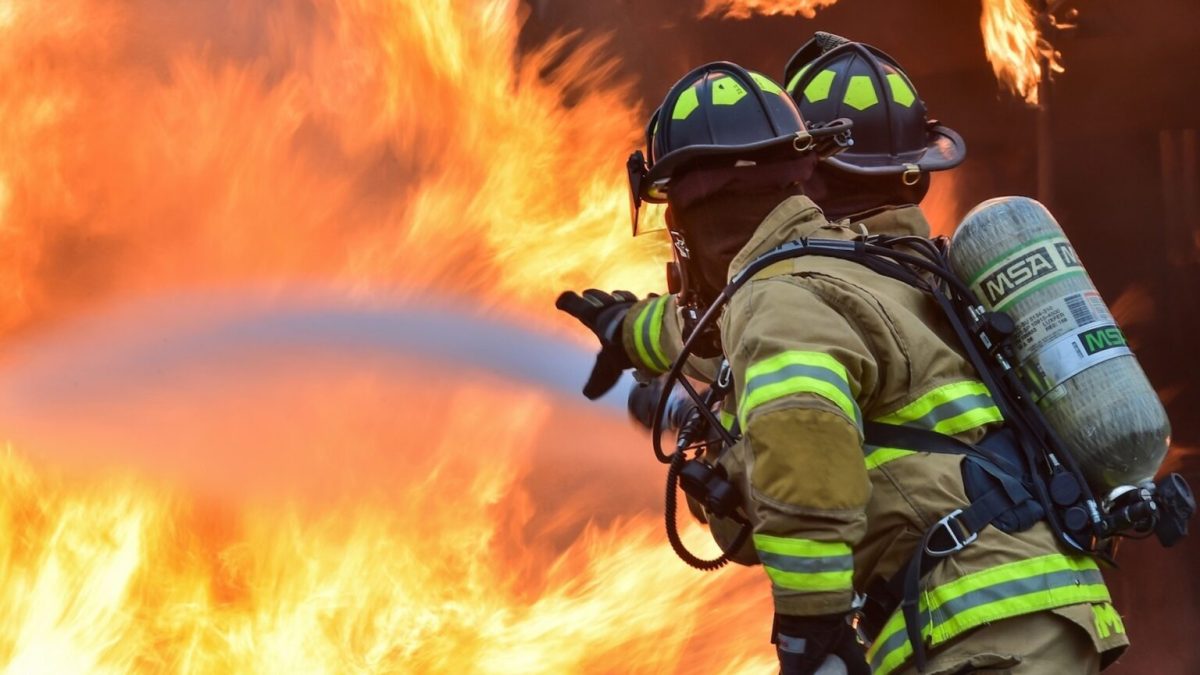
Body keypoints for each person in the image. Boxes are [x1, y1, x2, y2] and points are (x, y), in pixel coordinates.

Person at [559, 45, 1128, 675]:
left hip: (978, 621)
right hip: (1023, 611)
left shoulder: (779, 297)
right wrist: (629, 330)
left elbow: (802, 449)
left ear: (693, 215)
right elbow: (718, 329)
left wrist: (812, 628)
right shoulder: (863, 268)